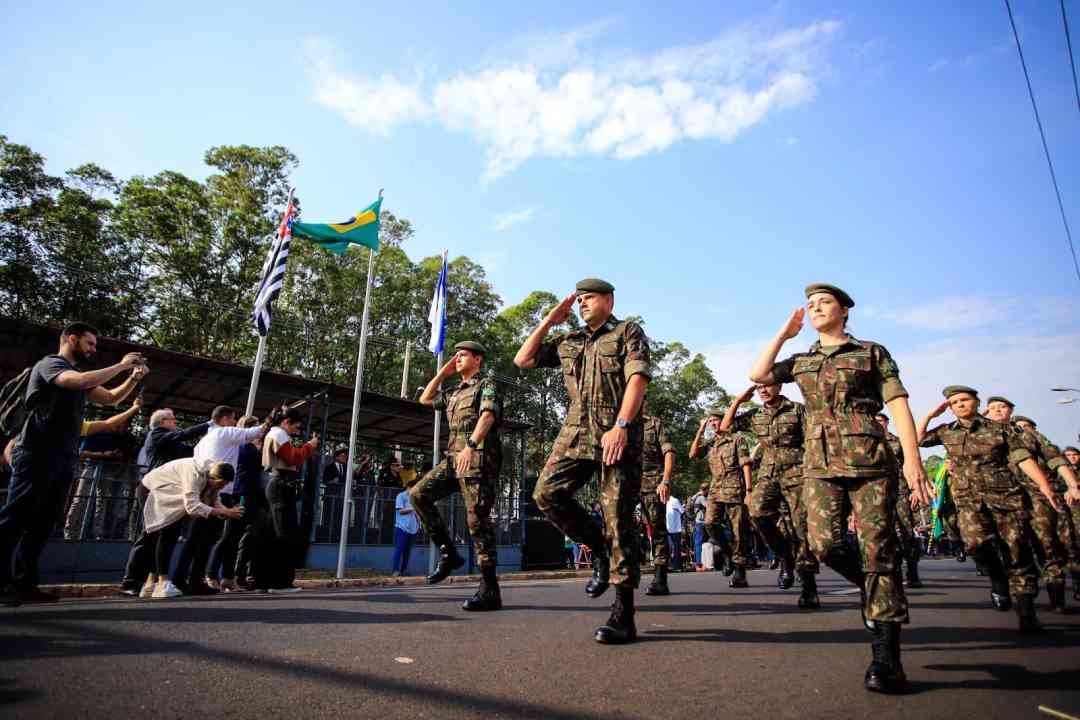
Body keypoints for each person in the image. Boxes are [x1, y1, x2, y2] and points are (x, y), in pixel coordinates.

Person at [749, 284, 932, 694]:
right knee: (824, 544)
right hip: (818, 464)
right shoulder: (802, 360)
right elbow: (758, 374)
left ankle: (887, 658)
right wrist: (783, 335)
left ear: (845, 310)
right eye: (810, 305)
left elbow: (898, 402)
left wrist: (913, 459)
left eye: (824, 303)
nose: (815, 308)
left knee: (877, 549)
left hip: (870, 460)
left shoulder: (871, 352)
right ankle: (873, 589)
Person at [514, 279, 651, 644]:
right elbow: (523, 359)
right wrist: (549, 320)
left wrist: (622, 425)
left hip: (615, 434)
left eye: (589, 298)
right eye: (579, 300)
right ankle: (600, 552)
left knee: (618, 517)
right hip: (575, 432)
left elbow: (637, 378)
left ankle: (624, 613)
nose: (582, 304)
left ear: (609, 299)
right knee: (545, 494)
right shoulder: (569, 340)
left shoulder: (627, 332)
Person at [0, 322, 146, 606]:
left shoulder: (81, 375)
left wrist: (133, 378)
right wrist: (120, 365)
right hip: (37, 453)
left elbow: (110, 399)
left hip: (63, 457)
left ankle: (23, 584)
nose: (93, 349)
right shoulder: (51, 365)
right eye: (89, 343)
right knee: (16, 517)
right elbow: (75, 382)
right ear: (71, 339)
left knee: (41, 524)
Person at [919, 386, 1061, 630]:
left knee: (1017, 552)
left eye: (964, 399)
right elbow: (916, 440)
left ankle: (1026, 613)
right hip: (969, 501)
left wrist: (1045, 486)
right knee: (975, 543)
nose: (960, 404)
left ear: (976, 402)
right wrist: (930, 416)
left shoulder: (1001, 429)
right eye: (954, 402)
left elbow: (1022, 458)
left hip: (1006, 498)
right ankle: (998, 579)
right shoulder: (946, 432)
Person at [412, 340, 504, 611]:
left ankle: (490, 590)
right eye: (456, 355)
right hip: (454, 460)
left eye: (463, 355)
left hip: (477, 459)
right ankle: (448, 552)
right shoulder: (453, 392)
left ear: (478, 359)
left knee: (477, 521)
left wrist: (471, 446)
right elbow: (425, 398)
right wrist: (443, 372)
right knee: (418, 494)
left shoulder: (486, 384)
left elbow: (487, 417)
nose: (458, 358)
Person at [721, 383, 820, 606]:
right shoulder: (756, 414)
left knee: (801, 527)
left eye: (768, 385)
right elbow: (724, 428)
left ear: (779, 385)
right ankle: (785, 555)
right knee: (756, 513)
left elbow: (813, 440)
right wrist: (738, 401)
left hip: (798, 473)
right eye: (759, 388)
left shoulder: (797, 409)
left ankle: (808, 585)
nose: (763, 390)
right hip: (768, 473)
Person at [984, 400, 1080, 612]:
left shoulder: (1029, 435)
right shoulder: (981, 436)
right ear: (986, 412)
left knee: (1047, 545)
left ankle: (1056, 598)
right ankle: (1023, 603)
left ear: (1011, 410)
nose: (998, 410)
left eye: (1003, 406)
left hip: (1035, 497)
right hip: (1001, 499)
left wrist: (1072, 485)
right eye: (993, 407)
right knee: (1013, 549)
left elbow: (1055, 459)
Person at [171, 405, 266, 595]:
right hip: (213, 489)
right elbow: (258, 430)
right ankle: (185, 579)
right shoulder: (222, 433)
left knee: (203, 539)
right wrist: (272, 418)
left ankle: (194, 580)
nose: (234, 423)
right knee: (202, 538)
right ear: (223, 419)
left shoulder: (205, 440)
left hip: (209, 487)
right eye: (232, 419)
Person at [135, 459, 244, 599]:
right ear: (213, 478)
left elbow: (214, 499)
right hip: (152, 490)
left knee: (168, 535)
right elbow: (192, 507)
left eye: (224, 485)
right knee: (166, 534)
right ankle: (162, 583)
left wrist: (228, 511)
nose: (221, 488)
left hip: (168, 492)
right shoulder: (195, 475)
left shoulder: (210, 475)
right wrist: (225, 512)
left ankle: (150, 584)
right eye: (220, 484)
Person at [689, 407, 753, 588]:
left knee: (739, 530)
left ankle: (740, 571)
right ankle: (728, 554)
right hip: (716, 489)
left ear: (724, 421)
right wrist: (700, 430)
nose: (712, 424)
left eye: (715, 420)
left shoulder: (737, 439)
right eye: (710, 422)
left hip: (735, 488)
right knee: (709, 523)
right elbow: (692, 454)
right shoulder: (711, 443)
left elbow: (746, 464)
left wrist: (749, 491)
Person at [263, 407, 319, 592]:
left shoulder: (274, 434)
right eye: (296, 426)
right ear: (286, 422)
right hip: (281, 484)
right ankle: (281, 582)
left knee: (276, 532)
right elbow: (293, 458)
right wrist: (309, 446)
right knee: (284, 534)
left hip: (276, 483)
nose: (297, 430)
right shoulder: (279, 435)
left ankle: (270, 579)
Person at [875, 413, 923, 589]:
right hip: (876, 492)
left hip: (900, 490)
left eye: (881, 421)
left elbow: (911, 465)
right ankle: (891, 572)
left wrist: (915, 489)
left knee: (906, 531)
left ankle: (912, 569)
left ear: (887, 423)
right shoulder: (868, 442)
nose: (877, 423)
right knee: (882, 533)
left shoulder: (898, 442)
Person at [640, 411, 676, 595]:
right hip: (625, 484)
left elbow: (668, 451)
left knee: (657, 529)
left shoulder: (654, 423)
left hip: (652, 483)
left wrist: (666, 481)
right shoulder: (618, 422)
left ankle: (661, 578)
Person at [392, 475, 420, 577]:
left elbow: (418, 513)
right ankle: (395, 570)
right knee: (399, 549)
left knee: (408, 551)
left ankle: (404, 570)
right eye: (415, 488)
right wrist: (412, 508)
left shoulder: (415, 498)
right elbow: (400, 510)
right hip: (402, 527)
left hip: (413, 528)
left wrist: (419, 524)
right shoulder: (401, 496)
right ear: (409, 487)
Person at [665, 493, 684, 572]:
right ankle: (671, 565)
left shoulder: (674, 501)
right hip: (668, 528)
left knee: (676, 548)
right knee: (669, 548)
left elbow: (682, 511)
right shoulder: (665, 502)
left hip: (676, 529)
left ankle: (677, 566)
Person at [691, 484, 708, 568]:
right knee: (699, 542)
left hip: (697, 522)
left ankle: (698, 561)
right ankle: (699, 562)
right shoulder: (701, 498)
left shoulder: (695, 497)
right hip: (701, 522)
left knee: (697, 542)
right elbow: (708, 506)